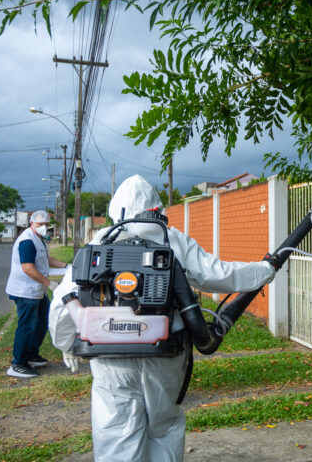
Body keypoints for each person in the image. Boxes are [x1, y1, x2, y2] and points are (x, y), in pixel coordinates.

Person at [49, 175, 276, 462]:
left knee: (116, 435)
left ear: (116, 209)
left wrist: (66, 343)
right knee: (165, 429)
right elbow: (218, 273)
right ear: (156, 208)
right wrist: (264, 270)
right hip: (165, 352)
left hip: (110, 356)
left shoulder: (100, 240)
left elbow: (63, 300)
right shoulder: (173, 240)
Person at [5, 210, 68, 378]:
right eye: (40, 224)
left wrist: (67, 266)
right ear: (32, 223)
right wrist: (50, 284)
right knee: (27, 326)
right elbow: (28, 268)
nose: (43, 227)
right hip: (25, 291)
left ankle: (32, 354)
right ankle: (18, 363)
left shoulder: (38, 240)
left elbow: (46, 258)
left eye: (46, 224)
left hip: (37, 291)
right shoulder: (27, 241)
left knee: (41, 322)